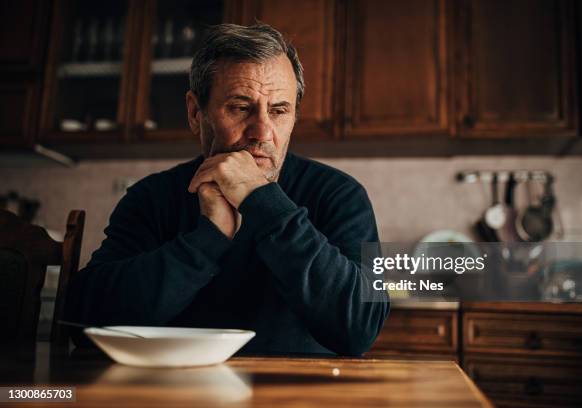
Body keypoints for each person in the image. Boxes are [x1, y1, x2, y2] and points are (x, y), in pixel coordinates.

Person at [66, 23, 389, 356]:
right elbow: (83, 321)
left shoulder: (340, 194)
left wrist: (262, 201)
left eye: (279, 111)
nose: (262, 132)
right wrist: (209, 238)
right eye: (240, 108)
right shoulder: (151, 197)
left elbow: (361, 328)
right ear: (195, 113)